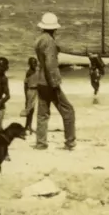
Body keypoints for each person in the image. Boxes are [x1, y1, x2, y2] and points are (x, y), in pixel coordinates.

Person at [34, 12, 76, 151]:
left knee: (42, 113)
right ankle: (70, 142)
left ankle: (41, 143)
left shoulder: (39, 40)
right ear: (54, 28)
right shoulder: (50, 42)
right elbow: (50, 64)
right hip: (50, 81)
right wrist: (54, 83)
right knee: (68, 110)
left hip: (40, 80)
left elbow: (43, 62)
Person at [20, 57, 39, 133]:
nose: (34, 64)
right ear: (29, 64)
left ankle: (29, 126)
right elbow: (25, 84)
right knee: (29, 110)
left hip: (36, 91)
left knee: (32, 109)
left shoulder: (37, 70)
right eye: (33, 63)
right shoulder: (29, 72)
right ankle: (27, 127)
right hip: (30, 91)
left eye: (35, 62)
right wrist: (26, 97)